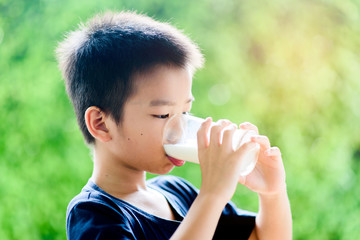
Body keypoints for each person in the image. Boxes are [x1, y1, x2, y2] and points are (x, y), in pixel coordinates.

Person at [56, 11, 292, 240]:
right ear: (101, 124)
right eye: (162, 114)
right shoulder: (93, 214)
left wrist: (272, 193)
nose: (179, 129)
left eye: (185, 112)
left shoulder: (177, 192)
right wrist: (212, 195)